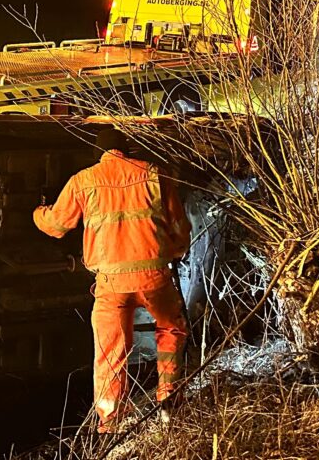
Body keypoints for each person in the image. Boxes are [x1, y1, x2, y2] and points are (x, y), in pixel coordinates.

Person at [33, 127, 190, 432]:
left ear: (99, 153)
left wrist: (38, 211)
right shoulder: (155, 174)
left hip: (111, 285)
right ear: (126, 149)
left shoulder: (84, 180)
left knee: (110, 352)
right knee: (171, 327)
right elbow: (179, 227)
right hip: (154, 278)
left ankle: (109, 423)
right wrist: (174, 254)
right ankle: (168, 399)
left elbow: (56, 226)